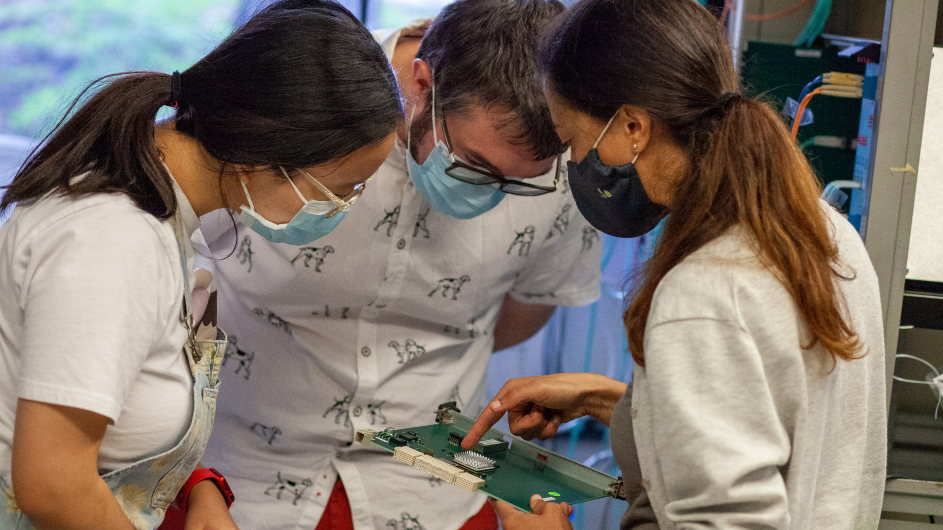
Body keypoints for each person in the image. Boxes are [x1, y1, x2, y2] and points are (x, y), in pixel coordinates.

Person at [462, 0, 888, 528]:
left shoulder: (704, 292)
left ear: (633, 126)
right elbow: (780, 423)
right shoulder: (827, 234)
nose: (573, 166)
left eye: (570, 141)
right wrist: (612, 401)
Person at [197, 1, 602, 529]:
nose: (489, 192)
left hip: (435, 490)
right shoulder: (300, 89)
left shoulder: (572, 164)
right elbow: (186, 270)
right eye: (472, 165)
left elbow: (527, 309)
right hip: (240, 478)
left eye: (516, 182)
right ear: (422, 84)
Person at [0, 1, 402, 528]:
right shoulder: (112, 239)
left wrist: (197, 487)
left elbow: (123, 407)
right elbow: (53, 484)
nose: (343, 210)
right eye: (342, 190)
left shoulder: (179, 219)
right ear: (259, 156)